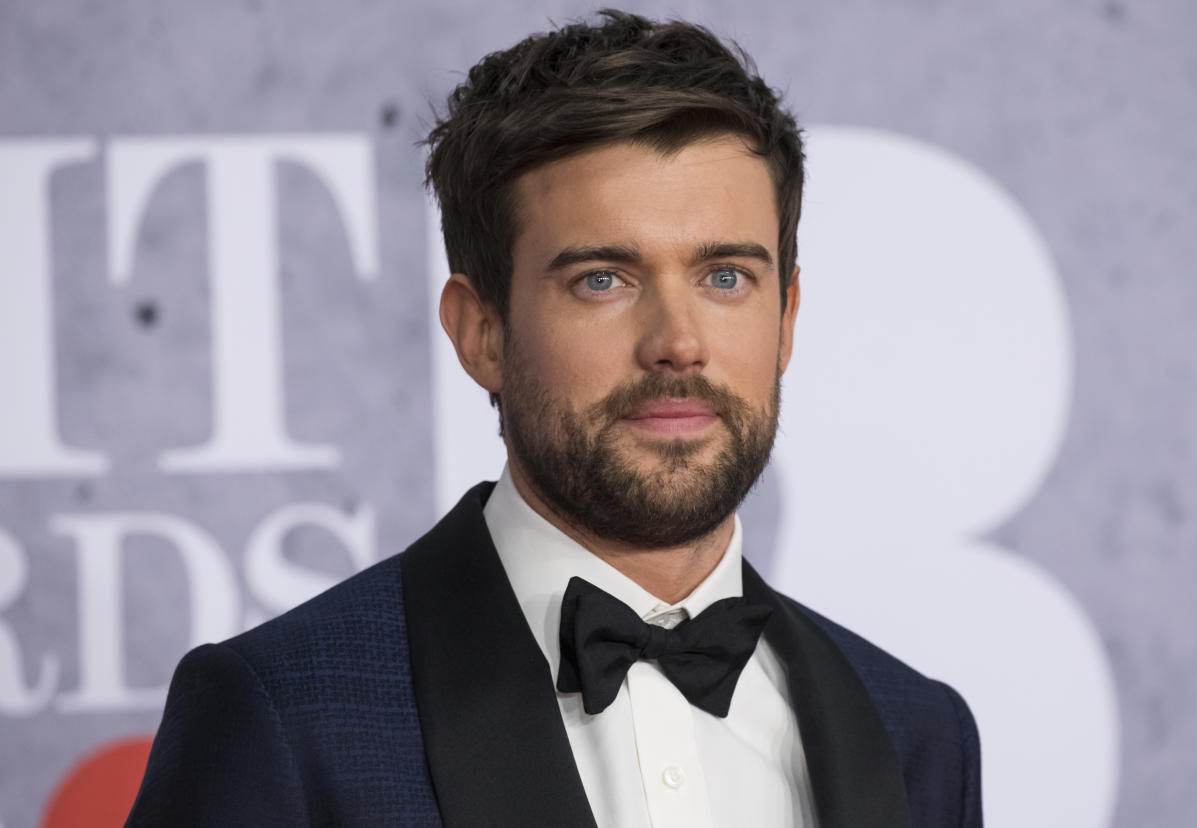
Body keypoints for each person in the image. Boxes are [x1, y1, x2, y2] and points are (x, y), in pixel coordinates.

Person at [127, 10, 982, 827]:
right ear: (481, 332)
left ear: (787, 318)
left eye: (725, 277)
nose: (679, 344)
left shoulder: (918, 733)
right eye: (602, 280)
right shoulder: (282, 714)